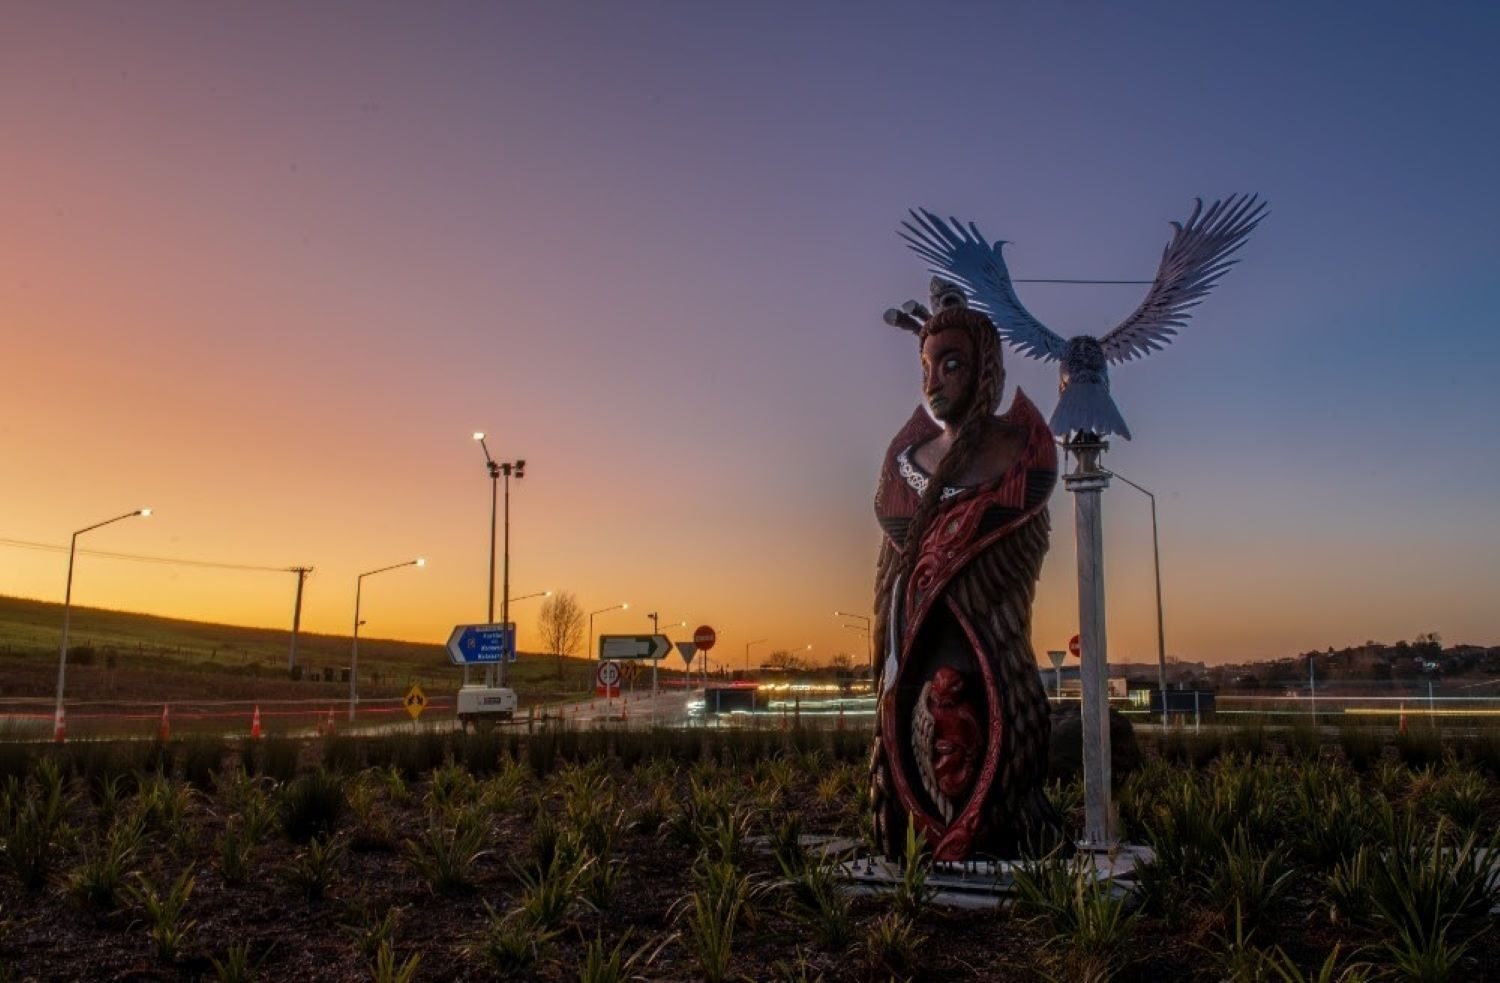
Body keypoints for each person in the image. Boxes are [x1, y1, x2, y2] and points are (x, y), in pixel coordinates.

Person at [869, 280, 1061, 860]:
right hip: (918, 656)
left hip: (988, 653)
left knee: (993, 734)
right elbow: (891, 585)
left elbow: (1012, 569)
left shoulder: (1018, 460)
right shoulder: (907, 466)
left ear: (983, 369)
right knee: (913, 734)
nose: (933, 382)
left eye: (950, 365)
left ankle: (993, 828)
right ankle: (916, 827)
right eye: (926, 368)